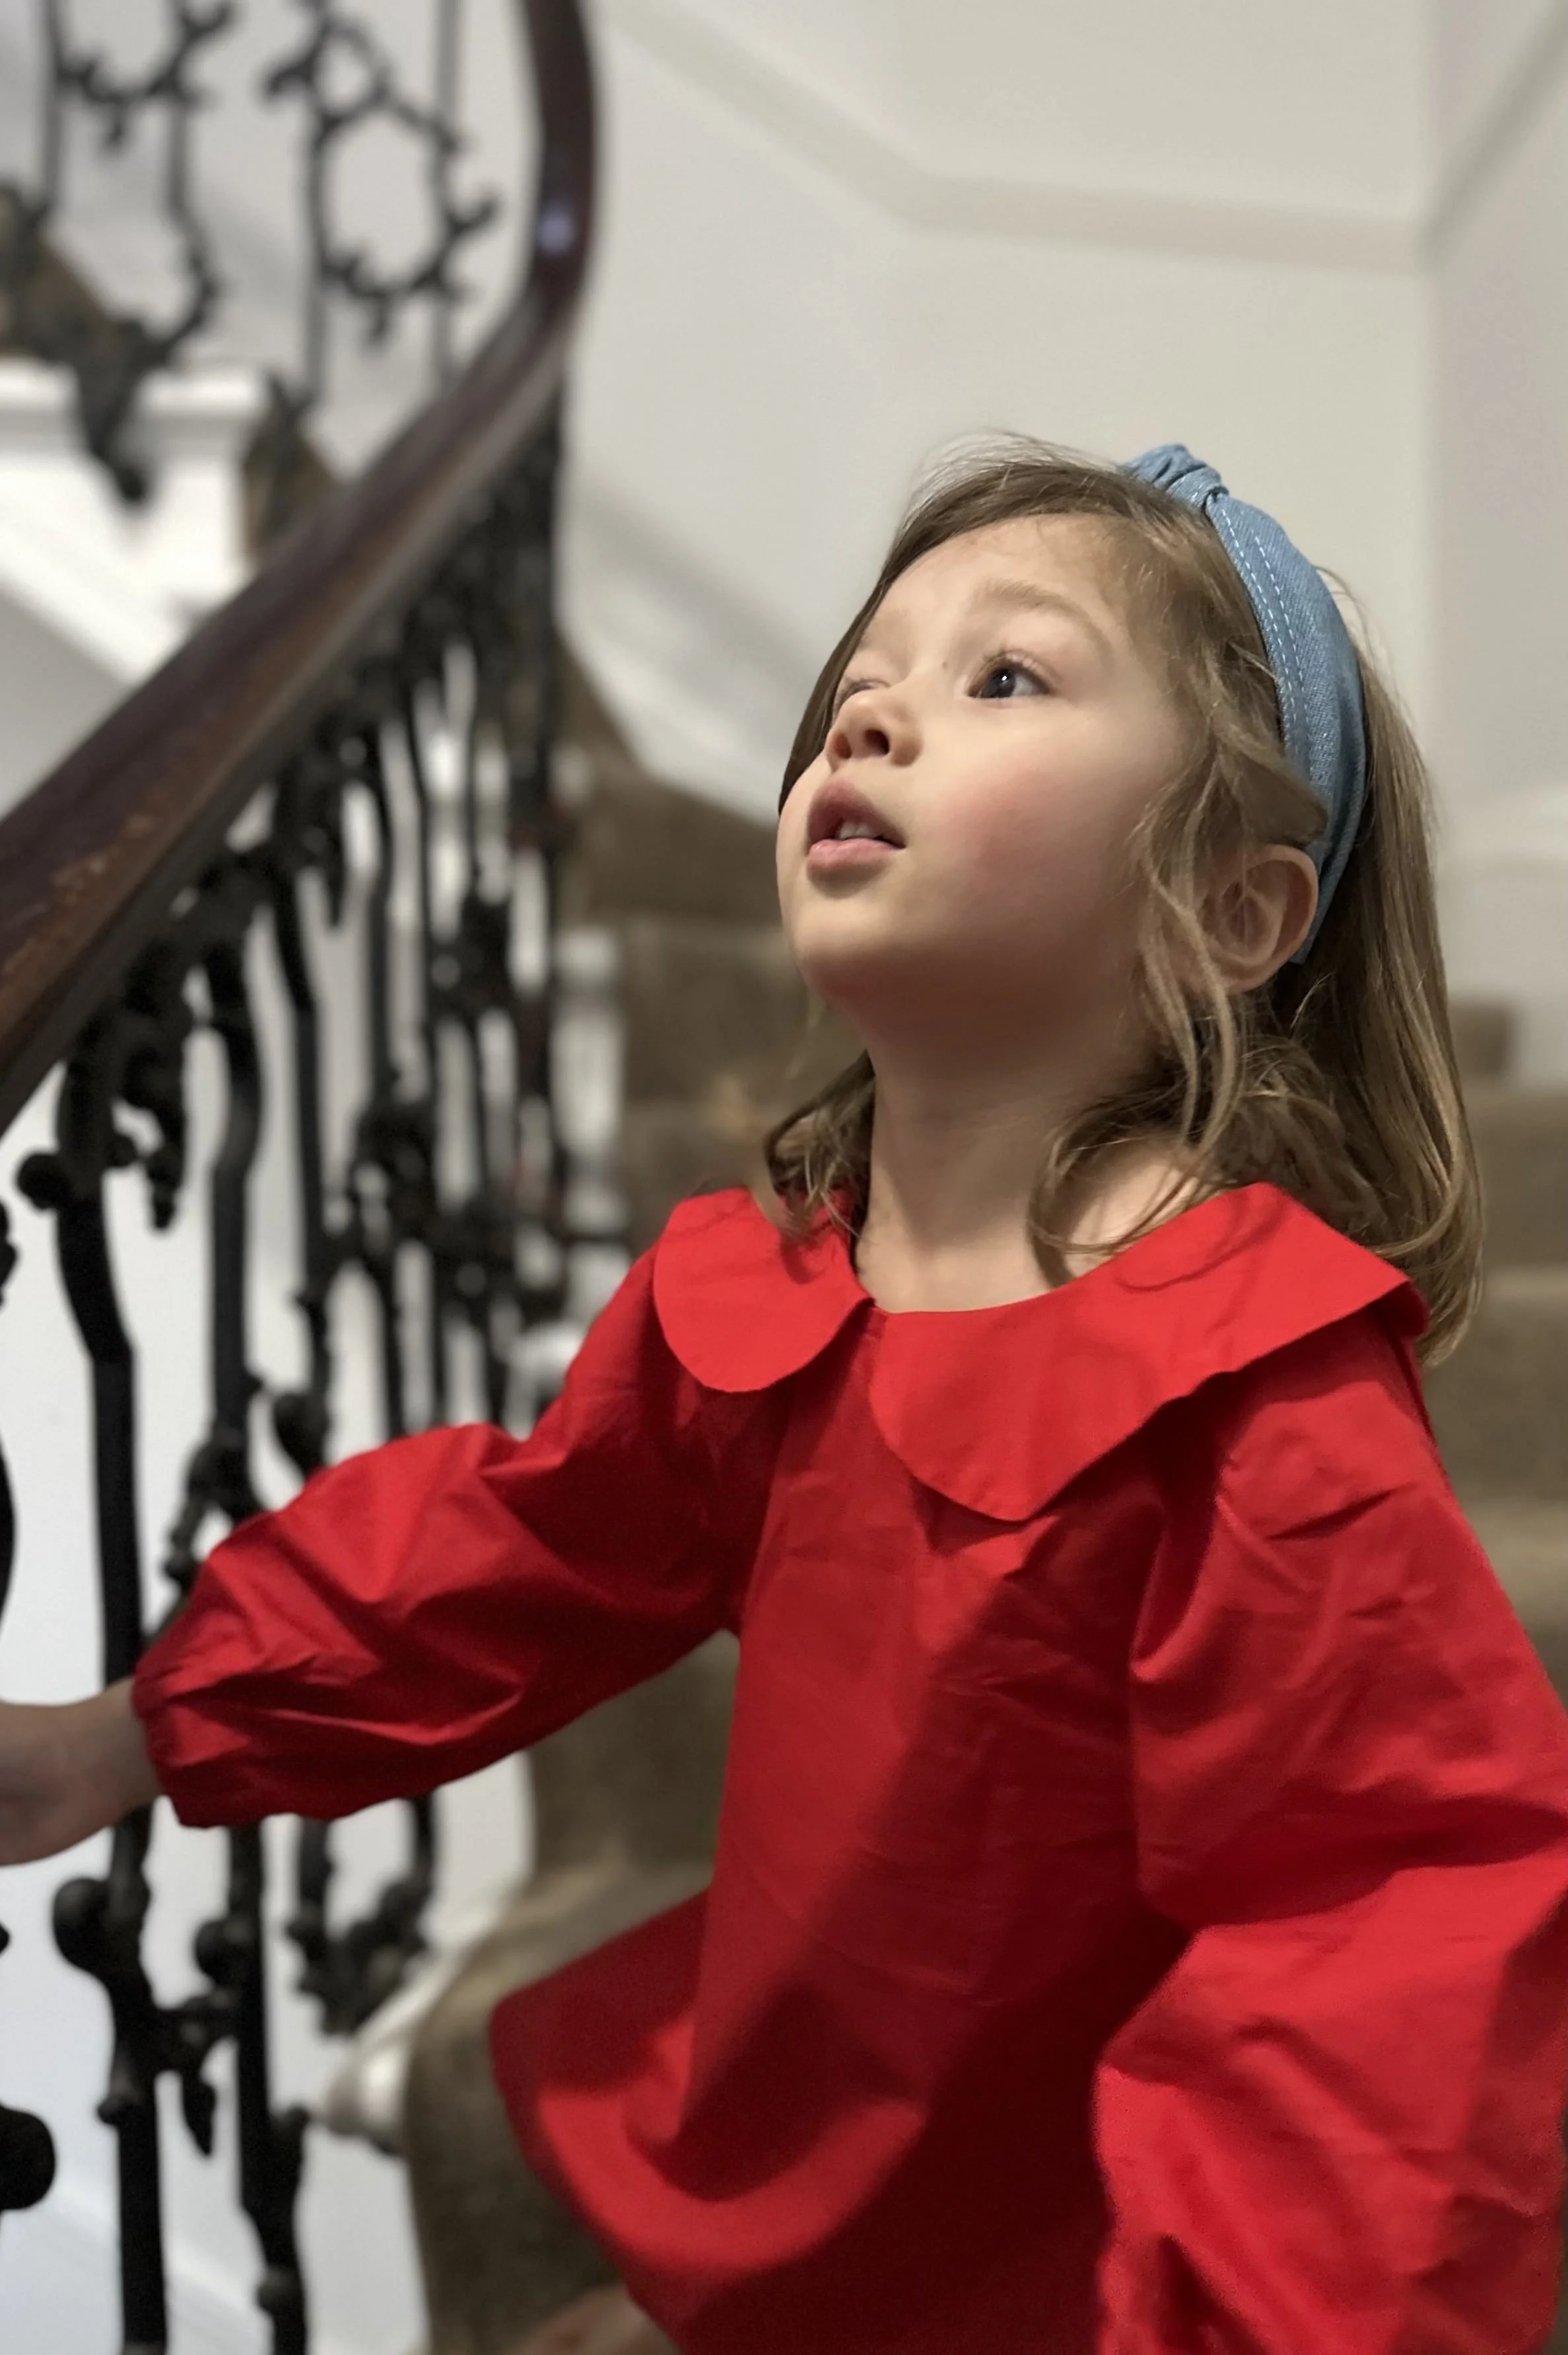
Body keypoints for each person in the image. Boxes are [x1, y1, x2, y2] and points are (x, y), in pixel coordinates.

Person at [2, 439, 1566, 2355]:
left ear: (1226, 918)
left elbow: (1386, 1918)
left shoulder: (1243, 1384)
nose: (880, 717)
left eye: (1006, 676)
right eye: (859, 687)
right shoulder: (772, 1285)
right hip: (803, 2179)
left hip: (1079, 2282)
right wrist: (126, 1736)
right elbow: (519, 1550)